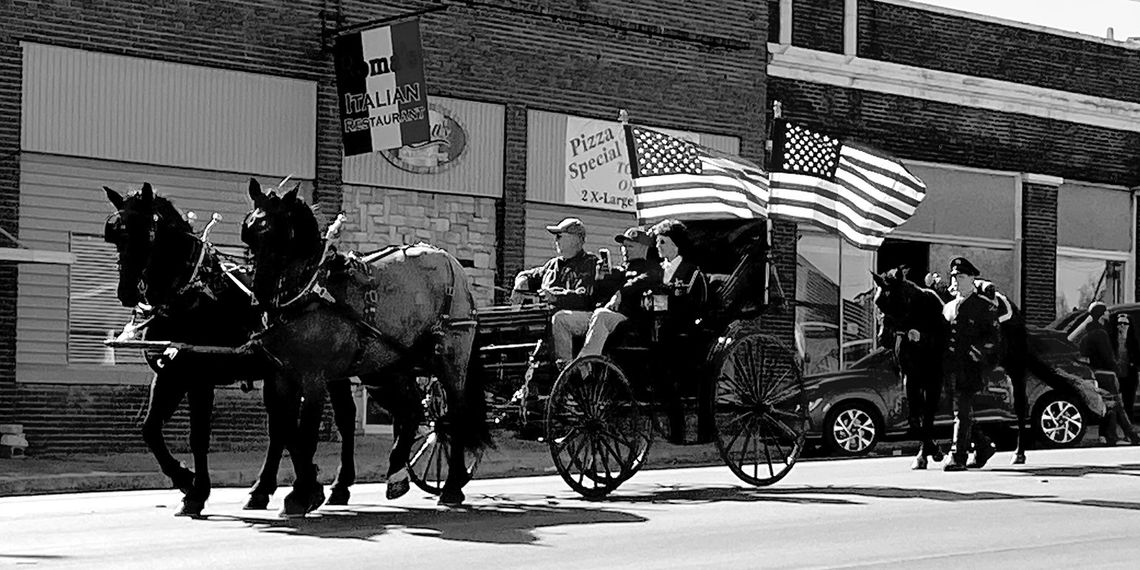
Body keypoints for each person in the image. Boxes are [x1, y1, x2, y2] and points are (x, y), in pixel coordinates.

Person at [511, 217, 598, 368]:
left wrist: (555, 297)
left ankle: (566, 370)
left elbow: (583, 298)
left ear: (576, 239)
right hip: (544, 322)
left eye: (559, 236)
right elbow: (527, 275)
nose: (555, 241)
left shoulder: (590, 263)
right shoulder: (553, 264)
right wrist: (520, 285)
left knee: (559, 319)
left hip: (575, 322)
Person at [942, 257, 1000, 472]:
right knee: (960, 411)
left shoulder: (983, 307)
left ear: (972, 279)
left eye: (961, 276)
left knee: (962, 410)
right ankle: (983, 446)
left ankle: (958, 455)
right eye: (954, 276)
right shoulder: (948, 307)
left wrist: (978, 353)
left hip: (970, 367)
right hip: (950, 369)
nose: (956, 280)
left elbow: (993, 338)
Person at [578, 226, 662, 357]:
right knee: (563, 319)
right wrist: (600, 278)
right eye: (623, 246)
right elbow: (598, 296)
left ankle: (586, 360)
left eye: (630, 246)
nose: (625, 250)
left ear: (644, 248)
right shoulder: (620, 270)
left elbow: (643, 279)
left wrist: (621, 293)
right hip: (606, 315)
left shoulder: (652, 268)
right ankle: (563, 362)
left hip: (631, 320)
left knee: (601, 315)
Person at [1081, 302, 1140, 445]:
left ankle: (1115, 435)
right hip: (1107, 375)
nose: (1108, 314)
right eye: (1106, 311)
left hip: (1097, 373)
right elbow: (1108, 357)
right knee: (1115, 405)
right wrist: (1116, 370)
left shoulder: (1088, 334)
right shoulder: (1101, 334)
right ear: (1101, 315)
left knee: (1111, 406)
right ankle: (1125, 436)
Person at [1110, 312, 1140, 423]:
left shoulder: (1133, 341)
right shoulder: (1112, 340)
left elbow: (1137, 358)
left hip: (1129, 375)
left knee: (1129, 401)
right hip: (1116, 375)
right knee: (1115, 401)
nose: (1122, 325)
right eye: (1120, 323)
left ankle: (1129, 423)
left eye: (1125, 323)